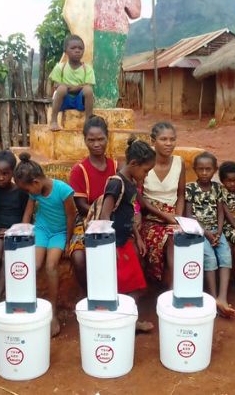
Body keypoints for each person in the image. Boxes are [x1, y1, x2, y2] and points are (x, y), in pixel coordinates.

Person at [97, 137, 157, 332]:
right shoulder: (116, 183)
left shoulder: (131, 183)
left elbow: (129, 214)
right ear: (133, 164)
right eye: (146, 171)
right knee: (123, 287)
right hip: (115, 245)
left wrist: (138, 237)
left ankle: (130, 321)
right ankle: (124, 323)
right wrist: (110, 246)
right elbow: (105, 215)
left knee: (135, 285)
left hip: (125, 241)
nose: (146, 175)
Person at [16, 153, 76, 337]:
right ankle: (28, 305)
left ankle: (52, 312)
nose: (28, 193)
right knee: (33, 265)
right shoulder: (34, 193)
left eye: (27, 189)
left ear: (35, 182)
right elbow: (28, 214)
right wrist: (24, 233)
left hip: (59, 233)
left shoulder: (63, 190)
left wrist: (68, 241)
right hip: (42, 229)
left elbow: (71, 216)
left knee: (51, 267)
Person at [67, 116, 116, 289]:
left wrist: (108, 218)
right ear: (85, 141)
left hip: (114, 218)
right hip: (86, 220)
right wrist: (100, 217)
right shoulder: (79, 170)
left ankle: (114, 291)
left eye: (101, 139)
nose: (96, 144)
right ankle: (89, 294)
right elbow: (80, 205)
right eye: (91, 140)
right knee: (79, 258)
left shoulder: (116, 166)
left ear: (107, 138)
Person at [186, 152, 235, 318]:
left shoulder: (217, 188)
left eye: (208, 169)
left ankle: (223, 296)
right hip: (199, 232)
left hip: (216, 230)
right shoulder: (190, 189)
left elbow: (221, 210)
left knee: (225, 255)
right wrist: (206, 233)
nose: (205, 173)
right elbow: (189, 215)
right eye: (201, 169)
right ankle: (214, 298)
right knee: (210, 258)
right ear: (195, 170)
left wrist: (219, 231)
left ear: (215, 170)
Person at [139, 122, 185, 287]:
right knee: (168, 238)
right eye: (163, 139)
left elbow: (180, 195)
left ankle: (174, 287)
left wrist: (178, 219)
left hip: (173, 214)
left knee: (176, 236)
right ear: (153, 141)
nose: (169, 143)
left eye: (172, 139)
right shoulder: (143, 163)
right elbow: (140, 199)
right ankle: (171, 287)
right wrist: (166, 216)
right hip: (150, 216)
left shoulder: (179, 162)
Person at [0, 150, 29, 307]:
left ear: (12, 172)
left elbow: (26, 216)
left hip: (15, 232)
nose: (0, 178)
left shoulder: (20, 192)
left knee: (8, 257)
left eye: (5, 173)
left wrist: (12, 230)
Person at [48, 35, 95, 131]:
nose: (77, 50)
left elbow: (87, 86)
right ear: (65, 51)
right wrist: (79, 86)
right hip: (64, 100)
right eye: (73, 48)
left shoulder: (87, 69)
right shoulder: (60, 68)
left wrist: (67, 86)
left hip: (80, 101)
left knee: (88, 90)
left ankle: (88, 122)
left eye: (80, 48)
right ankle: (53, 121)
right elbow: (57, 85)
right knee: (61, 89)